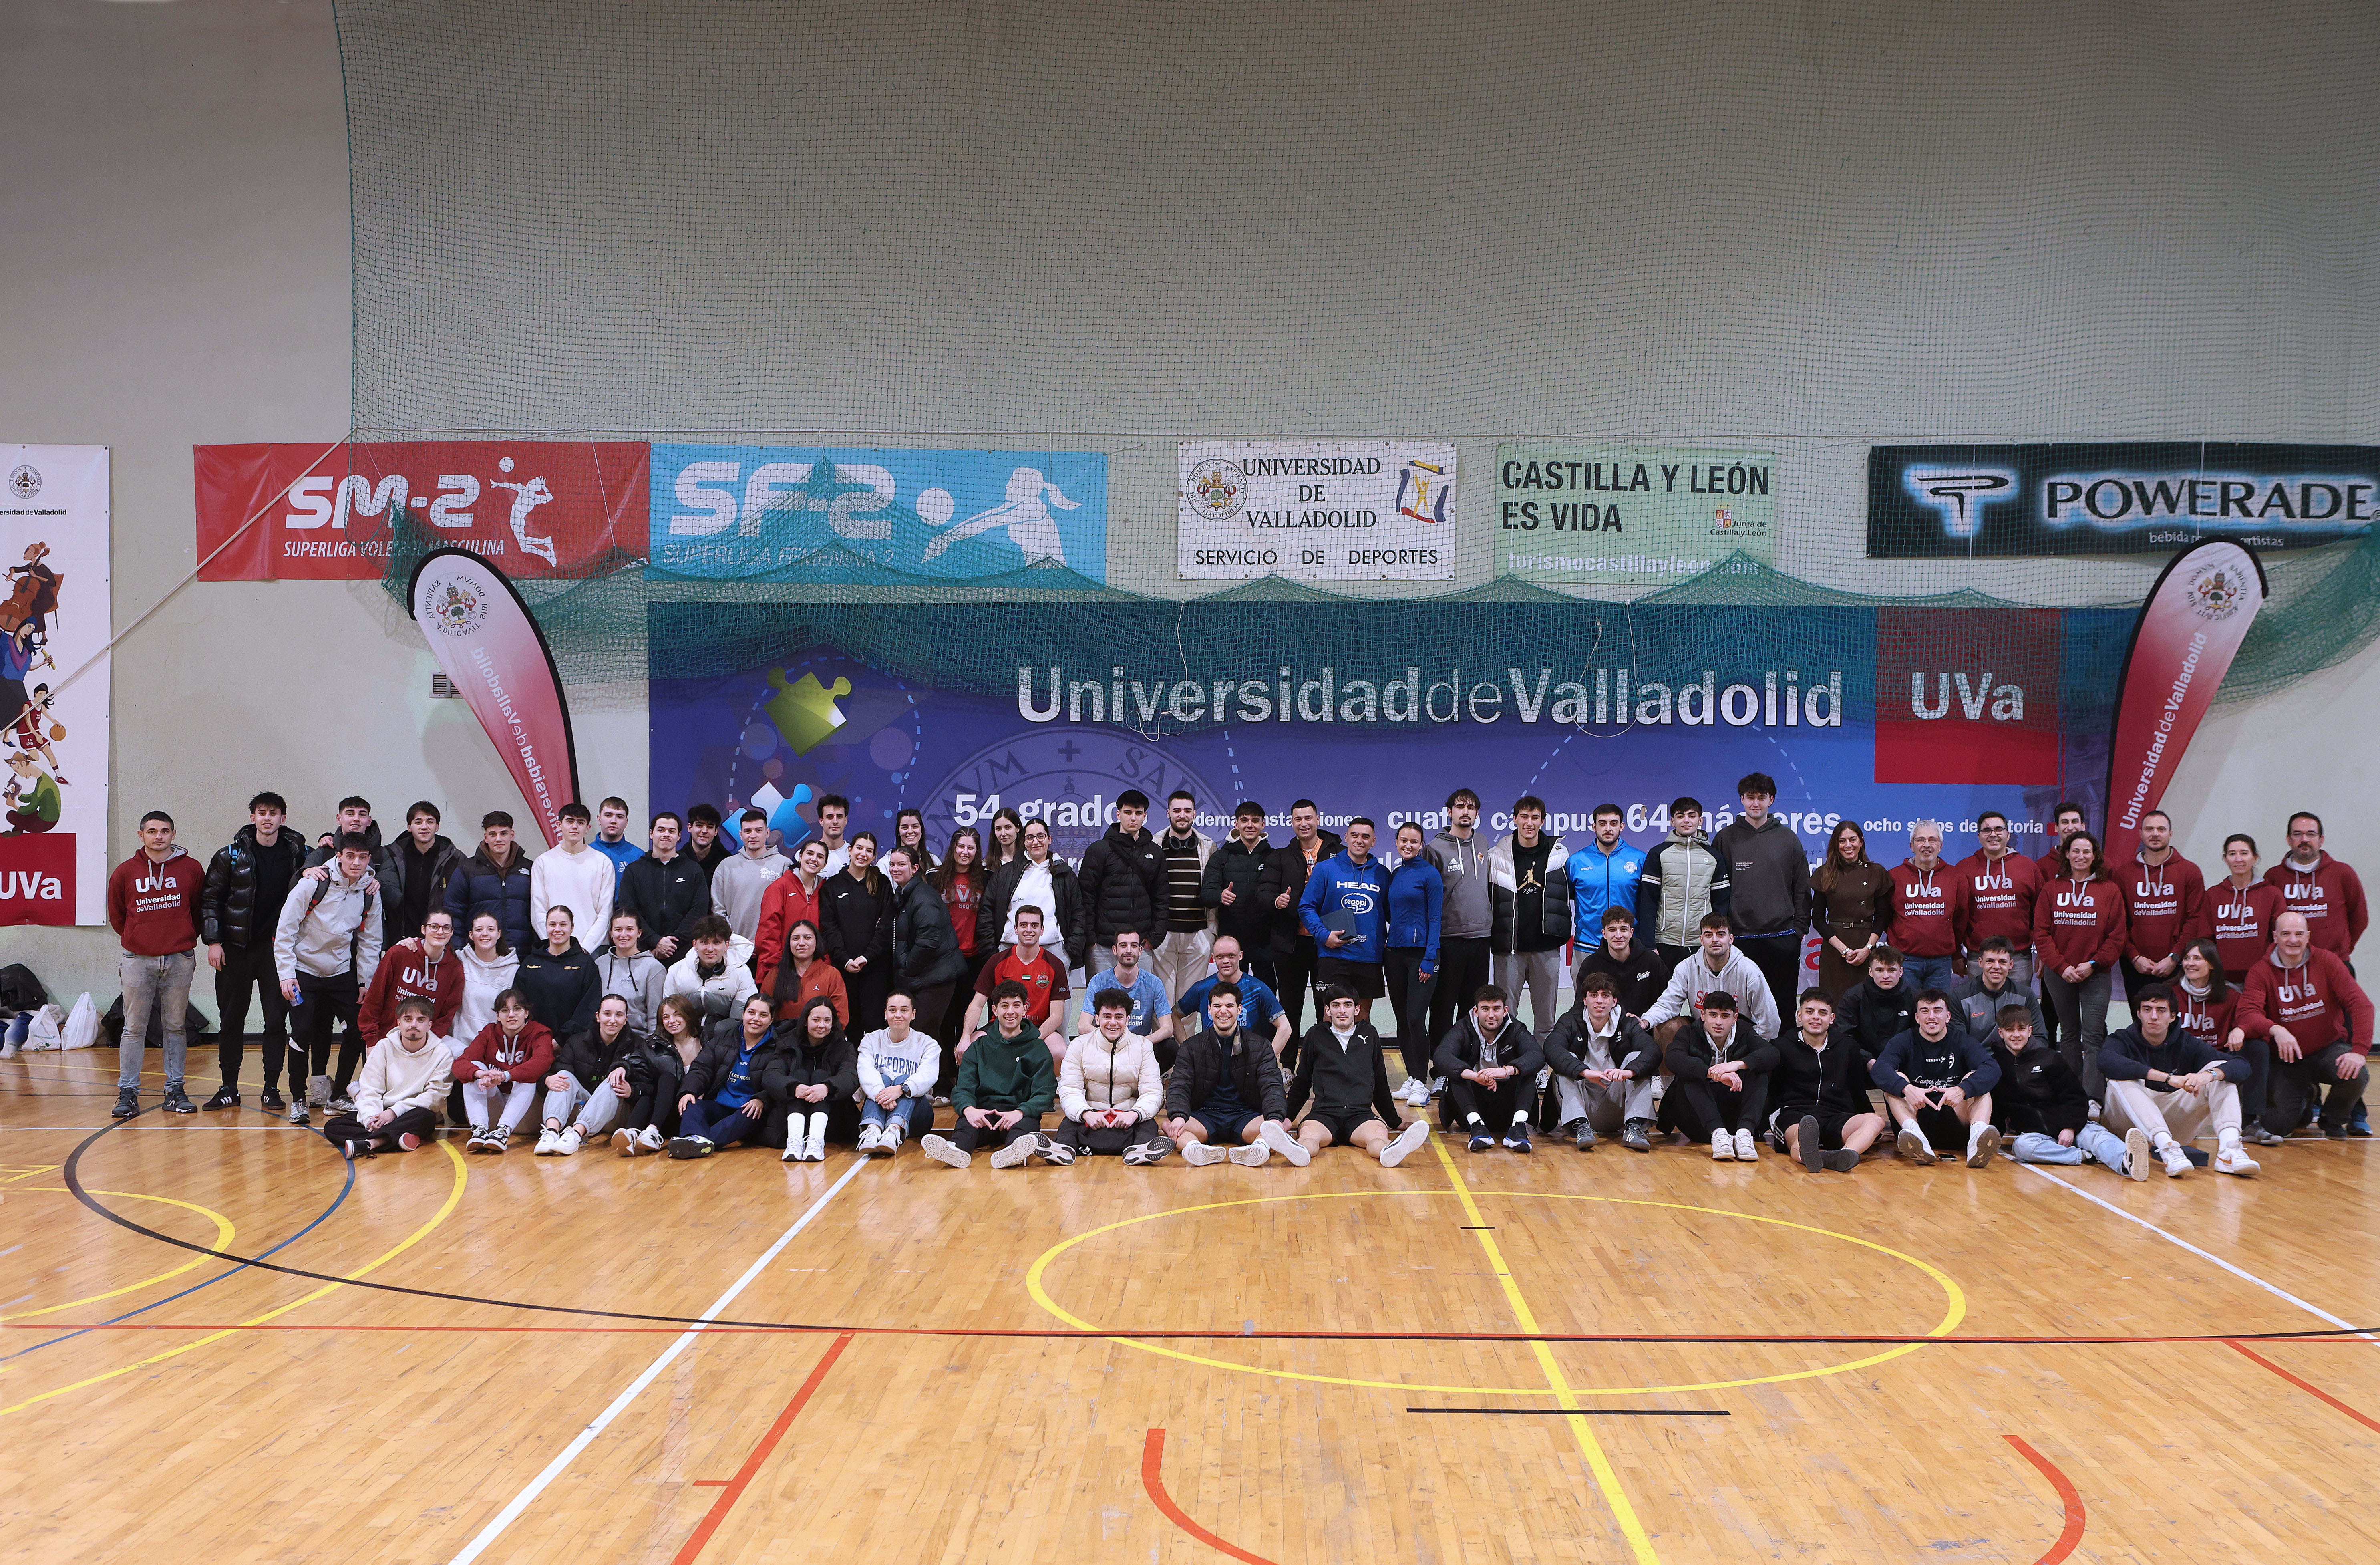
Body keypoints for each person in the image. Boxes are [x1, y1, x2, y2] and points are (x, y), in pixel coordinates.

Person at [201, 790, 304, 1112]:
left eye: (273, 813)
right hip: (235, 949)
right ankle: (229, 1086)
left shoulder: (300, 855)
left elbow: (335, 864)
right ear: (253, 817)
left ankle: (271, 1088)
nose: (267, 818)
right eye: (261, 812)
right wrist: (214, 942)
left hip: (278, 952)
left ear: (283, 819)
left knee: (276, 1021)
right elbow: (210, 900)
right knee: (231, 1019)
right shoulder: (229, 855)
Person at [272, 830, 384, 1121]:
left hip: (341, 973)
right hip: (303, 972)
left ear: (369, 858)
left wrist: (365, 982)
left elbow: (371, 942)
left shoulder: (370, 891)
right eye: (350, 856)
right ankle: (298, 1098)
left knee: (358, 1030)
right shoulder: (313, 883)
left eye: (362, 857)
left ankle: (337, 1097)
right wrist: (286, 974)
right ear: (339, 856)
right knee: (302, 1032)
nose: (356, 863)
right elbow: (285, 930)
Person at [2101, 985, 2262, 1177]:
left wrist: (2208, 1076)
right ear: (2138, 1013)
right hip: (2127, 1127)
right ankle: (2167, 1149)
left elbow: (2242, 1066)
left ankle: (2229, 1151)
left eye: (2161, 1011)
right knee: (2121, 1079)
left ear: (2173, 1016)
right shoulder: (2122, 1039)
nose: (2153, 1017)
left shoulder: (2187, 1043)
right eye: (2147, 1010)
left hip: (2174, 1125)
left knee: (2221, 1072)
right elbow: (2106, 1062)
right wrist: (2168, 1078)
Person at [2238, 911, 2373, 1140]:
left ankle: (2332, 1120)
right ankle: (2306, 1097)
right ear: (2275, 937)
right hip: (2286, 1060)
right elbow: (2247, 1014)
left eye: (2299, 934)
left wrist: (2359, 1051)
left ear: (2308, 936)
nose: (2293, 940)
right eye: (2286, 934)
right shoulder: (2260, 971)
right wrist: (2277, 1029)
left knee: (2357, 1072)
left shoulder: (2328, 962)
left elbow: (2361, 1005)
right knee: (2276, 1127)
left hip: (2327, 1049)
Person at [107, 809, 206, 1118]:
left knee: (175, 1027)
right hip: (138, 960)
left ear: (173, 834)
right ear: (141, 835)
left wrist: (181, 939)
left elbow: (199, 909)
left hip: (179, 959)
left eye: (164, 831)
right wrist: (140, 940)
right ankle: (128, 1092)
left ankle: (175, 1090)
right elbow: (118, 915)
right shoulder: (125, 872)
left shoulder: (191, 869)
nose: (158, 836)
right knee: (133, 1028)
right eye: (152, 831)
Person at [922, 981, 1063, 1169]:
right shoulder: (979, 1047)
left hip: (1017, 1113)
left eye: (1016, 1005)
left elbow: (1045, 1093)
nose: (1010, 1012)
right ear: (995, 1010)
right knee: (966, 1126)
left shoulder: (1038, 1049)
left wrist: (1020, 1112)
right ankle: (955, 1150)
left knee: (1026, 1129)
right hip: (984, 1113)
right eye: (1004, 1006)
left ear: (1025, 1009)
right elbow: (963, 1088)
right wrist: (969, 1110)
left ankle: (1014, 1152)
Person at [1286, 985, 1432, 1166]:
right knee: (1309, 1137)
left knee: (1378, 1135)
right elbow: (1302, 1081)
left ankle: (1390, 1152)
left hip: (1360, 1115)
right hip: (1324, 1114)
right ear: (1328, 1010)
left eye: (1347, 1005)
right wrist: (1286, 1118)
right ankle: (1299, 1152)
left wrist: (1395, 1121)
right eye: (1336, 1005)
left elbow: (1379, 1081)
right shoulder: (1315, 1035)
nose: (1342, 1011)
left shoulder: (1369, 1035)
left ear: (1357, 1009)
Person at [1989, 1003, 2140, 1176]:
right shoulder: (1996, 1066)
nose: (2016, 1035)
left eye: (2021, 1029)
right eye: (2010, 1030)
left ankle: (2127, 1161)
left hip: (2073, 1128)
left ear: (2030, 1031)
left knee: (2095, 1137)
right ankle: (2082, 1156)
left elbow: (2075, 1097)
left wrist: (2070, 1127)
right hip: (2037, 1136)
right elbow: (1998, 1108)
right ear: (2001, 1033)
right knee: (2022, 1147)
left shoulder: (2050, 1058)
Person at [2034, 830, 2127, 1101]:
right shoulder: (2051, 889)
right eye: (2075, 851)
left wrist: (2093, 964)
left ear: (2095, 856)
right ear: (2066, 854)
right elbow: (2041, 933)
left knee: (2094, 1034)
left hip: (2095, 974)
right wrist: (2062, 967)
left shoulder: (2109, 890)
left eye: (2086, 851)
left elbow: (2116, 936)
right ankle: (2072, 1094)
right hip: (2058, 973)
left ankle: (2093, 1098)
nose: (2081, 856)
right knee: (2069, 1033)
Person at [1163, 983, 1300, 1166]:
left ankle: (1258, 1149)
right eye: (1218, 1006)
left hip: (1246, 1116)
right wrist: (1179, 1115)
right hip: (1204, 1116)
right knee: (1172, 1127)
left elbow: (1272, 1086)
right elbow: (1180, 1085)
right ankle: (1196, 1149)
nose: (1223, 1012)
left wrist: (1275, 1118)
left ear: (1239, 1009)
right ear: (1209, 1010)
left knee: (1277, 1126)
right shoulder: (1191, 1047)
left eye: (1229, 1006)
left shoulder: (1260, 1046)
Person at [1712, 773, 1810, 1024]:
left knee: (1782, 1008)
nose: (1756, 803)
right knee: (1740, 1008)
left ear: (1772, 800)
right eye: (1751, 798)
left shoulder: (1788, 839)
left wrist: (1798, 931)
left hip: (1782, 939)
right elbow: (1715, 889)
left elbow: (1802, 887)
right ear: (1742, 800)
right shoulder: (1725, 838)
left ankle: (1783, 1060)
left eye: (1762, 798)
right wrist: (1724, 930)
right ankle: (1741, 1061)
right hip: (1740, 940)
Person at [1873, 990, 2002, 1167]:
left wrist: (1962, 1089)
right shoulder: (1903, 1041)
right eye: (1925, 1011)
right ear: (1917, 1017)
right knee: (1897, 1079)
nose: (1931, 1017)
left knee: (1976, 1080)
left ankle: (1977, 1140)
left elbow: (1992, 1068)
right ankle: (1917, 1139)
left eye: (1938, 1010)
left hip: (1955, 1118)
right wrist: (1907, 1089)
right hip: (1917, 1116)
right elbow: (1880, 1069)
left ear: (1948, 1016)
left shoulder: (1962, 1040)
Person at [1770, 989, 1889, 1174]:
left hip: (1836, 1115)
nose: (1816, 1017)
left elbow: (1857, 1090)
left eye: (1822, 1013)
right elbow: (1772, 1089)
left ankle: (1843, 1156)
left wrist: (1875, 1133)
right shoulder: (1780, 1047)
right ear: (1799, 1016)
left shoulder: (1848, 1047)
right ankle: (1809, 1155)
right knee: (1800, 1135)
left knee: (1875, 1121)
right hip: (1795, 1113)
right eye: (1810, 1012)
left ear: (1832, 1018)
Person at [1539, 970, 1660, 1152]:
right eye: (1594, 995)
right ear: (1585, 1000)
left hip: (1616, 1100)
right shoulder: (1570, 1021)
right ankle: (1581, 1128)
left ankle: (1635, 1129)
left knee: (1636, 1061)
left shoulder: (1627, 1024)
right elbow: (1552, 1049)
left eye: (1606, 996)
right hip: (1583, 1101)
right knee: (1567, 1063)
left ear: (1614, 1002)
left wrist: (1628, 1072)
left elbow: (1653, 1052)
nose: (1599, 1001)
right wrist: (1585, 1072)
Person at [2175, 937, 2280, 1146]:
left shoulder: (2230, 995)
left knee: (2258, 1047)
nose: (2190, 963)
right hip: (2182, 1058)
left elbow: (2251, 1019)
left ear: (2212, 964)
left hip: (2218, 1057)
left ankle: (2251, 1122)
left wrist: (2241, 1029)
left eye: (2198, 958)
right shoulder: (2170, 993)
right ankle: (2180, 1122)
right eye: (2187, 958)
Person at [321, 997, 452, 1160]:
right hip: (381, 1110)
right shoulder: (384, 1047)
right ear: (399, 1024)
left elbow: (434, 1097)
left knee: (426, 1118)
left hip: (411, 1112)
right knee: (333, 1127)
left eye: (421, 1020)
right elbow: (370, 1089)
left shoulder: (442, 1053)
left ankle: (371, 1144)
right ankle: (395, 1140)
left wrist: (394, 1113)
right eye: (408, 1019)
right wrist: (371, 1119)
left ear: (429, 1025)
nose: (414, 1025)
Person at [1300, 816, 1392, 1038]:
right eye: (1355, 835)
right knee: (1331, 1017)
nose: (1360, 841)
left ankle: (1360, 1072)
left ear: (1374, 841)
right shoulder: (1325, 869)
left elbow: (1395, 915)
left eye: (1366, 837)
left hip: (1369, 957)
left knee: (1361, 1019)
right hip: (1334, 955)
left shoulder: (1383, 874)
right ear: (1346, 838)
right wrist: (1324, 936)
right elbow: (1306, 907)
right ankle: (1327, 1072)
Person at [1488, 794, 1570, 1038]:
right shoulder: (1496, 855)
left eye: (1535, 818)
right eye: (1524, 817)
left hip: (1546, 950)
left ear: (1543, 821)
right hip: (1509, 951)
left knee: (1546, 1021)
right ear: (1515, 819)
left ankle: (1542, 1073)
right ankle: (1511, 1072)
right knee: (1506, 1019)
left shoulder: (1559, 853)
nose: (1529, 823)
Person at [1054, 989, 1169, 1164]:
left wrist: (1134, 1114)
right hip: (1092, 1114)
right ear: (1097, 1018)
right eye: (1107, 1017)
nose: (1113, 1023)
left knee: (1148, 1125)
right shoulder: (1080, 1045)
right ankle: (1063, 1153)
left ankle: (1139, 1153)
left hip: (1127, 1114)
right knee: (1069, 1124)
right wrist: (1085, 1113)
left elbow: (1153, 1091)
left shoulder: (1143, 1046)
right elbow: (1069, 1088)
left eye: (1119, 1017)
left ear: (1127, 1019)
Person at [1663, 990, 1777, 1162]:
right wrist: (1713, 1073)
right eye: (1713, 1015)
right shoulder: (1688, 1033)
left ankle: (1745, 1134)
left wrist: (1736, 1065)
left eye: (1725, 1016)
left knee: (1760, 1070)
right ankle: (1718, 1134)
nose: (1718, 1022)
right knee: (1690, 1073)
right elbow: (1673, 1059)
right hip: (1699, 1122)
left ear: (1735, 1018)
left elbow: (1772, 1054)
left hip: (1735, 1117)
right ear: (1702, 1015)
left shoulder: (1745, 1033)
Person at [1642, 912, 1780, 1047]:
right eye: (1709, 935)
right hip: (1702, 1037)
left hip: (1740, 1039)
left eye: (1721, 934)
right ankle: (1668, 1072)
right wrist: (1646, 1020)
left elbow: (1770, 1021)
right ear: (1702, 940)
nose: (1715, 940)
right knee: (1667, 1027)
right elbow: (1668, 1004)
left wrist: (1752, 1048)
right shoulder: (1686, 968)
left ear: (1731, 939)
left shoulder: (1749, 971)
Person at [667, 993, 779, 1158]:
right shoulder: (724, 1038)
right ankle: (694, 1142)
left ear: (771, 1020)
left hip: (751, 1108)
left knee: (749, 1113)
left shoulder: (778, 1046)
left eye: (763, 1015)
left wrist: (762, 1099)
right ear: (743, 1014)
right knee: (692, 1104)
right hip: (720, 1104)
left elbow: (777, 1080)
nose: (756, 1019)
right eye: (752, 1013)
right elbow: (701, 1069)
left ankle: (692, 1143)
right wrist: (689, 1091)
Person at [1434, 984, 1542, 1152]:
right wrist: (1473, 1075)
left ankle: (1518, 1128)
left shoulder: (1516, 1029)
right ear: (1476, 1011)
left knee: (1527, 1072)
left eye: (1496, 1009)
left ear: (1505, 1011)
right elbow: (1441, 1056)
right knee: (1458, 1074)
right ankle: (1477, 1128)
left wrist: (1507, 1070)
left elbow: (1536, 1055)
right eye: (1485, 1009)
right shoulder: (1463, 1028)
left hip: (1509, 1107)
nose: (1491, 1015)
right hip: (1473, 1107)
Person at [1425, 790, 1494, 1044]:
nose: (1465, 812)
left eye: (1471, 807)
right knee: (1443, 1006)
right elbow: (1427, 897)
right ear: (1449, 812)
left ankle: (1466, 1059)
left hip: (1481, 938)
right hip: (1449, 939)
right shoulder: (1434, 849)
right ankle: (1441, 1065)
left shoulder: (1484, 843)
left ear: (1477, 813)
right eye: (1460, 807)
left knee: (1471, 1006)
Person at [1265, 800, 1340, 1035]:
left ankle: (1325, 1063)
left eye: (1308, 818)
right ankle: (1287, 1065)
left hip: (1327, 942)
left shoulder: (1339, 853)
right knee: (1290, 1004)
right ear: (1291, 823)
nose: (1304, 823)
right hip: (1291, 942)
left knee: (1327, 1004)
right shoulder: (1281, 856)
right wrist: (1276, 901)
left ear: (1318, 819)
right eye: (1298, 819)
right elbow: (1264, 892)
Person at [977, 818, 1088, 972]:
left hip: (1054, 950)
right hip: (1010, 949)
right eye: (1030, 838)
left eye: (1041, 836)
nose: (1036, 842)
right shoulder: (1005, 873)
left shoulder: (1064, 874)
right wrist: (992, 952)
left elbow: (1079, 914)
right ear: (1024, 841)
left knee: (1054, 997)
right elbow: (987, 912)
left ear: (1049, 840)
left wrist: (1070, 951)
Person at [534, 992, 640, 1155]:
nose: (613, 1020)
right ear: (598, 1017)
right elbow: (555, 1072)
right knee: (563, 1075)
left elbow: (645, 1081)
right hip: (581, 1099)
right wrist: (547, 1080)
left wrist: (632, 1091)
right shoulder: (577, 1041)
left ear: (626, 1019)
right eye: (607, 1014)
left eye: (619, 1015)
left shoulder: (637, 1044)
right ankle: (551, 1133)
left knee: (613, 1080)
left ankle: (575, 1135)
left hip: (613, 1105)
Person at [2120, 809, 2207, 1003]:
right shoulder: (2124, 873)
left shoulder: (2190, 872)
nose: (2155, 834)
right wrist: (2134, 957)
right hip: (2136, 966)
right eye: (2149, 829)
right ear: (2140, 833)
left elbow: (2195, 919)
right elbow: (2118, 924)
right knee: (2141, 1025)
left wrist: (2175, 957)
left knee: (2175, 1024)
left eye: (2161, 829)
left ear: (2171, 834)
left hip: (2177, 965)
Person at [1384, 821, 1443, 1106]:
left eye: (1414, 841)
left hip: (1422, 955)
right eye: (1403, 840)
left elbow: (1435, 918)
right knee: (1403, 1021)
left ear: (1421, 845)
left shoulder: (1430, 874)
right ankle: (1411, 1078)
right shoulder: (1396, 873)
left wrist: (1430, 957)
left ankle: (1422, 1082)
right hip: (1394, 954)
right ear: (1396, 842)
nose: (1408, 845)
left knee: (1416, 1019)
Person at [1076, 788, 1165, 978]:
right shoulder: (1099, 850)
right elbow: (1085, 897)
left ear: (1145, 816)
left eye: (1138, 813)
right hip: (1103, 946)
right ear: (1118, 814)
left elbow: (1162, 898)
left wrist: (1154, 938)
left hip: (1141, 946)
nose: (1133, 818)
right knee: (1101, 1003)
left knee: (1141, 1004)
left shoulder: (1155, 853)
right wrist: (1091, 939)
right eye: (1128, 812)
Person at [453, 988, 554, 1154]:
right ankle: (479, 1129)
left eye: (517, 1009)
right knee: (473, 1067)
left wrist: (505, 1076)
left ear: (526, 1013)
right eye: (505, 1010)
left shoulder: (540, 1032)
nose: (511, 1015)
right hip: (497, 1100)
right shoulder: (489, 1032)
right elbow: (460, 1064)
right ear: (498, 1016)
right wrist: (481, 1074)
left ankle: (503, 1132)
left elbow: (542, 1062)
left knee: (527, 1076)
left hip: (528, 1103)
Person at [1952, 810, 2044, 991]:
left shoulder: (2028, 867)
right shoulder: (1964, 869)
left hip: (2018, 958)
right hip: (1978, 957)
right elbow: (1957, 916)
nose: (1993, 835)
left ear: (2008, 835)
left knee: (2017, 1015)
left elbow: (2041, 915)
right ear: (1979, 836)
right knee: (1980, 1015)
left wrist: (2042, 951)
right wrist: (1956, 954)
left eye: (1998, 830)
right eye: (1987, 830)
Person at [962, 904, 1071, 1055]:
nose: (1029, 930)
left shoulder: (1055, 965)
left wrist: (1033, 1038)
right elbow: (977, 1004)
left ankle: (1051, 1080)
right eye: (1024, 925)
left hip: (1038, 1029)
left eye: (1034, 925)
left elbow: (1057, 1016)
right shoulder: (997, 961)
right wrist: (965, 1037)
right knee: (971, 1047)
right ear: (1015, 929)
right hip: (1000, 1027)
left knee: (1059, 1051)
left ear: (1042, 930)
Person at [1634, 796, 1727, 971]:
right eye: (1680, 816)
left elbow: (1721, 904)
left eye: (1692, 816)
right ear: (1672, 821)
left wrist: (1715, 939)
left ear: (1700, 820)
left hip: (1701, 943)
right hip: (1665, 943)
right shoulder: (1658, 854)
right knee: (1664, 997)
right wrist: (1649, 944)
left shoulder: (1714, 856)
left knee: (1703, 998)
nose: (1686, 820)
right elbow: (1647, 902)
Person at [762, 995, 858, 1163]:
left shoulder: (843, 1046)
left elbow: (850, 1077)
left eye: (827, 1020)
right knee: (798, 1076)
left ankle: (816, 1142)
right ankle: (795, 1142)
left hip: (830, 1122)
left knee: (821, 1076)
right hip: (788, 1121)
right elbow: (771, 1076)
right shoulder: (787, 1042)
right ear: (806, 1021)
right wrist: (794, 1088)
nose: (822, 1025)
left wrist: (827, 1088)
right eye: (816, 1020)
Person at [611, 993, 709, 1155]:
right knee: (652, 1092)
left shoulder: (707, 1041)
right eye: (666, 1017)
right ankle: (633, 1134)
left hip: (694, 1112)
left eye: (677, 1015)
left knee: (667, 1079)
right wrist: (622, 1067)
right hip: (666, 1115)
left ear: (688, 1015)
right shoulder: (654, 1046)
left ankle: (650, 1133)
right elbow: (634, 1063)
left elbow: (718, 1072)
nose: (672, 1021)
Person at [884, 844, 963, 1045]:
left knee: (924, 1037)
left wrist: (907, 967)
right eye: (892, 864)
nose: (895, 869)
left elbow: (928, 943)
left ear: (915, 868)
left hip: (934, 979)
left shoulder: (923, 897)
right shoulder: (905, 895)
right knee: (929, 1036)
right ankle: (942, 1077)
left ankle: (940, 1078)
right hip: (925, 977)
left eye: (902, 864)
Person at [2265, 812, 2368, 964]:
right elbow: (2267, 923)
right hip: (2289, 964)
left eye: (2311, 834)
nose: (2304, 839)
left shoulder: (2343, 873)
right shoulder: (2274, 876)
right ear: (2289, 839)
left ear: (2321, 840)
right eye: (2298, 834)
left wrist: (2343, 948)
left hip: (2335, 962)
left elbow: (2360, 918)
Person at [822, 831, 896, 1033]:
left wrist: (867, 957)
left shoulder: (882, 884)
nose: (863, 854)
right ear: (850, 850)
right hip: (843, 969)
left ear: (874, 857)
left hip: (875, 969)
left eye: (869, 851)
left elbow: (886, 927)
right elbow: (830, 927)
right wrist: (845, 959)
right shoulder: (833, 885)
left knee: (875, 1026)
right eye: (860, 848)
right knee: (848, 1026)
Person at [357, 908, 463, 1047]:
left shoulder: (455, 967)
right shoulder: (399, 953)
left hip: (425, 1042)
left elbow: (447, 1015)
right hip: (385, 1039)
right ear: (424, 930)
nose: (440, 932)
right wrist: (371, 1041)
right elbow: (374, 999)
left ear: (452, 932)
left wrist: (428, 1042)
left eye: (446, 928)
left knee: (457, 1052)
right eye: (434, 927)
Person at [1810, 820, 1891, 998]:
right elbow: (1817, 919)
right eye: (1842, 841)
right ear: (1836, 844)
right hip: (1835, 948)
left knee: (1866, 1003)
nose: (1848, 846)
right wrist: (1843, 950)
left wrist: (1868, 948)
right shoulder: (1824, 874)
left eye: (1853, 840)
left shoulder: (1876, 873)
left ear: (1861, 842)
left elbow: (1883, 916)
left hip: (1865, 946)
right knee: (1834, 1002)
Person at [1150, 789, 1219, 1000]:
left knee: (1189, 1004)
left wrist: (1211, 934)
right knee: (1161, 1002)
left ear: (1195, 814)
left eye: (1187, 811)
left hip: (1199, 935)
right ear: (1168, 813)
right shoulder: (1154, 845)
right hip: (1163, 936)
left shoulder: (1209, 846)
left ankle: (1187, 1036)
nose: (1183, 815)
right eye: (1177, 810)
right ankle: (1165, 1035)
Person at [1175, 935, 1290, 1060]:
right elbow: (1174, 1015)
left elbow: (1285, 1027)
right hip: (1211, 1062)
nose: (1226, 961)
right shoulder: (1202, 988)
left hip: (1247, 1063)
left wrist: (1267, 1061)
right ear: (1213, 958)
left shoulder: (1258, 989)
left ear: (1240, 956)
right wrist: (1186, 1048)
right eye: (1220, 957)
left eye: (1231, 956)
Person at [1202, 801, 1278, 990]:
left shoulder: (1275, 857)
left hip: (1265, 941)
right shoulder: (1221, 857)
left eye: (1255, 820)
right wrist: (1220, 896)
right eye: (1244, 820)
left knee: (1266, 993)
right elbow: (1207, 894)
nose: (1250, 825)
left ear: (1263, 825)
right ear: (1236, 825)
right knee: (1230, 994)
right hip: (1231, 941)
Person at [855, 988, 939, 1156]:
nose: (898, 1015)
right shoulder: (871, 1040)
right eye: (893, 1010)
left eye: (905, 1010)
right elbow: (865, 1072)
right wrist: (884, 1094)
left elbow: (928, 1076)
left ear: (913, 1014)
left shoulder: (928, 1044)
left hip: (917, 1117)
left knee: (905, 1079)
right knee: (882, 1078)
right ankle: (873, 1131)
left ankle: (894, 1131)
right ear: (885, 1014)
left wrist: (901, 1089)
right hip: (880, 1109)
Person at [617, 810, 708, 961]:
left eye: (672, 831)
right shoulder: (634, 871)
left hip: (684, 952)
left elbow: (699, 910)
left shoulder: (694, 870)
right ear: (651, 834)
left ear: (679, 836)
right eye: (661, 830)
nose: (666, 834)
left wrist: (672, 942)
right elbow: (629, 910)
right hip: (643, 951)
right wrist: (655, 941)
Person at [933, 828, 992, 1052]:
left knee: (969, 1018)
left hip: (975, 958)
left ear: (977, 851)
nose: (965, 852)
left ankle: (965, 1072)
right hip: (944, 958)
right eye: (961, 846)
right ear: (953, 848)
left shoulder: (986, 879)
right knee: (946, 1018)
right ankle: (946, 1076)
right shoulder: (936, 877)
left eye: (970, 847)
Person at [445, 810, 537, 951]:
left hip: (522, 953)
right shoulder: (467, 869)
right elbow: (453, 912)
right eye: (493, 834)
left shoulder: (530, 868)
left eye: (504, 834)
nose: (498, 839)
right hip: (479, 954)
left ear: (512, 835)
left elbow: (539, 913)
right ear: (486, 837)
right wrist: (458, 949)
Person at [2199, 832, 2283, 984]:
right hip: (2223, 979)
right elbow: (2205, 939)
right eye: (2232, 854)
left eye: (2244, 853)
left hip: (2263, 976)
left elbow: (2280, 936)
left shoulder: (2272, 894)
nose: (2238, 859)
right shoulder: (2213, 895)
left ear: (2255, 858)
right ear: (2225, 859)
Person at [1565, 802, 1646, 958]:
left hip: (1627, 946)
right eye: (1602, 824)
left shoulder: (1639, 859)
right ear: (1594, 827)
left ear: (1622, 826)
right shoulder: (1576, 861)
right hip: (1588, 946)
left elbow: (1647, 903)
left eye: (1613, 823)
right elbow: (1567, 899)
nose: (1608, 829)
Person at [1885, 822, 1958, 993]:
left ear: (1940, 846)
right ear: (1912, 846)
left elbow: (1961, 917)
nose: (1927, 845)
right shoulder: (1894, 876)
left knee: (1937, 1013)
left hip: (1941, 962)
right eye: (1920, 840)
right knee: (1907, 1014)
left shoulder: (1956, 876)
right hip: (1905, 960)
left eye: (1932, 840)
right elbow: (1887, 915)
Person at [1076, 929, 1173, 1058]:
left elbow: (1168, 1028)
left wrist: (1141, 1042)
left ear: (1140, 950)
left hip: (1140, 1047)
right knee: (1080, 1045)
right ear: (1114, 950)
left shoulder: (1154, 983)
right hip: (1107, 1044)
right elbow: (1083, 1026)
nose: (1129, 950)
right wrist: (1113, 1040)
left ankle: (1160, 1078)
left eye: (1134, 946)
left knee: (1170, 1048)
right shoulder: (1099, 981)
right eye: (1123, 945)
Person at [754, 838, 831, 994]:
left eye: (820, 856)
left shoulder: (826, 892)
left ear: (825, 865)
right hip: (779, 970)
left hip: (813, 973)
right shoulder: (779, 887)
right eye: (810, 854)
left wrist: (823, 966)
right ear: (800, 857)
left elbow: (827, 933)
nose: (814, 859)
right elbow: (768, 933)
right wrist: (778, 967)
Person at [385, 802, 466, 949]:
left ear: (437, 826)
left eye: (430, 822)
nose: (424, 827)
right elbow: (363, 850)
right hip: (403, 939)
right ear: (409, 827)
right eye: (418, 822)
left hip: (440, 938)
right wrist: (329, 838)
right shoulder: (393, 856)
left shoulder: (455, 859)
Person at [515, 905, 603, 1039]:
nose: (557, 929)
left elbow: (589, 1009)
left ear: (572, 928)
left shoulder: (585, 964)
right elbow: (518, 1003)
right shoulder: (529, 963)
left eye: (563, 925)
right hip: (533, 1042)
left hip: (573, 1045)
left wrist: (562, 1040)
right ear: (546, 926)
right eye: (552, 924)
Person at [708, 808, 789, 945]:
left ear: (768, 833)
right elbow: (718, 909)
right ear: (741, 835)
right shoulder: (726, 866)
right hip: (733, 946)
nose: (753, 836)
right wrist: (734, 939)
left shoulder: (784, 865)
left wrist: (764, 940)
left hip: (772, 946)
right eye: (748, 831)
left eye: (759, 830)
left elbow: (788, 910)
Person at [1573, 906, 1672, 1018]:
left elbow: (1668, 1002)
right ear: (1604, 934)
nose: (1618, 936)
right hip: (1606, 1028)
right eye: (1612, 930)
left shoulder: (1652, 961)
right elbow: (1580, 1006)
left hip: (1646, 1025)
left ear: (1631, 932)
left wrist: (1648, 1021)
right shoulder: (1591, 965)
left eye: (1624, 929)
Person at [1832, 945, 1919, 1069]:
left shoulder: (1915, 997)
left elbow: (1921, 1036)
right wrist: (1867, 1060)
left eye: (1891, 970)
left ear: (1901, 972)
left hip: (1904, 1063)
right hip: (1861, 1063)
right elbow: (1843, 1036)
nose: (1885, 976)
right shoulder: (1853, 997)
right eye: (1880, 970)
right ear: (1871, 972)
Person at [1947, 937, 2043, 1043]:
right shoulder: (1959, 997)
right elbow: (1959, 1042)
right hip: (1975, 1058)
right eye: (1990, 961)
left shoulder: (2026, 995)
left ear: (2011, 964)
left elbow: (2040, 1038)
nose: (1996, 967)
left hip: (2015, 1057)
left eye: (2002, 962)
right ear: (1980, 962)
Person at [671, 913, 762, 1023]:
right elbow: (671, 1014)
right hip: (687, 1034)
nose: (710, 949)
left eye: (717, 942)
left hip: (725, 1036)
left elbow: (739, 1020)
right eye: (704, 942)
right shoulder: (676, 971)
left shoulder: (742, 973)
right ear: (695, 944)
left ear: (727, 945)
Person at [592, 910, 665, 1035]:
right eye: (618, 929)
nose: (623, 935)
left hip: (638, 1039)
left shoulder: (654, 968)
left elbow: (655, 1016)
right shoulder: (600, 964)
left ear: (639, 933)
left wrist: (653, 1046)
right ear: (611, 933)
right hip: (603, 1039)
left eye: (630, 929)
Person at [2035, 801, 2090, 880]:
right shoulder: (2042, 867)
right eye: (2065, 822)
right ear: (2056, 828)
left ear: (2083, 826)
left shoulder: (2098, 864)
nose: (2070, 828)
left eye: (2075, 822)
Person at [590, 796, 642, 878]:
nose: (613, 821)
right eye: (608, 815)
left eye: (620, 817)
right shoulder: (586, 854)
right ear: (599, 819)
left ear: (626, 822)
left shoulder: (638, 856)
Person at [685, 803, 731, 877]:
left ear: (716, 831)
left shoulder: (726, 862)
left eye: (710, 827)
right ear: (690, 828)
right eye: (700, 826)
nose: (704, 831)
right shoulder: (678, 860)